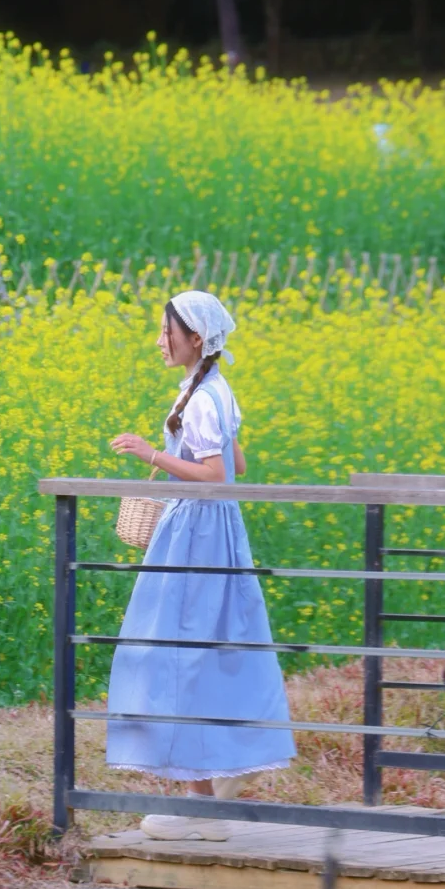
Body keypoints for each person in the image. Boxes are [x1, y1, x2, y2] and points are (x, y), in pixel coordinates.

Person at [106, 290, 295, 840]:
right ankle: (206, 796)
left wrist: (152, 455)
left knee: (179, 653)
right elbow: (236, 460)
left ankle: (200, 808)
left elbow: (216, 475)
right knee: (199, 652)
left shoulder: (204, 397)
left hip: (197, 533)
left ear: (196, 339)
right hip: (211, 531)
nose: (160, 340)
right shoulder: (208, 389)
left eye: (168, 331)